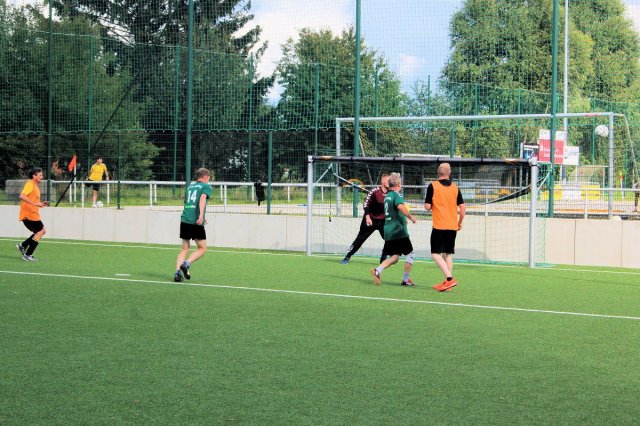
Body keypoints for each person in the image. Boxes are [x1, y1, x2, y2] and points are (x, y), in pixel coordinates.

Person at [370, 172, 417, 286]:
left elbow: (393, 211)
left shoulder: (387, 197)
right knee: (410, 253)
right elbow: (400, 206)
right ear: (398, 184)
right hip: (398, 231)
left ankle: (377, 271)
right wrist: (410, 216)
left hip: (389, 231)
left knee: (395, 257)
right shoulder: (396, 195)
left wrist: (402, 218)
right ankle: (405, 280)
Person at [424, 163, 465, 292]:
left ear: (438, 173)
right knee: (448, 254)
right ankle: (448, 284)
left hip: (439, 226)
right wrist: (459, 222)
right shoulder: (455, 188)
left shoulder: (433, 186)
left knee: (435, 253)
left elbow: (427, 206)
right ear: (449, 173)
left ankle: (449, 279)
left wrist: (430, 205)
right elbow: (463, 209)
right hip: (452, 226)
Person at [341, 173, 390, 264]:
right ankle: (347, 256)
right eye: (388, 180)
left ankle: (383, 259)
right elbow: (366, 204)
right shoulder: (374, 191)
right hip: (370, 219)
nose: (390, 182)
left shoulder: (392, 193)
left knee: (390, 240)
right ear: (383, 181)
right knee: (360, 239)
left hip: (383, 221)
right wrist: (367, 217)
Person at [174, 168, 213, 282]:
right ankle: (186, 264)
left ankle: (177, 273)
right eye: (208, 178)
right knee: (202, 248)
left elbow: (188, 203)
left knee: (185, 248)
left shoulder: (190, 187)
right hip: (195, 222)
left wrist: (202, 216)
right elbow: (202, 199)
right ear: (205, 177)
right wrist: (201, 215)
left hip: (184, 219)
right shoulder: (206, 186)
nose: (208, 181)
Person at [16, 168, 48, 261]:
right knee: (40, 232)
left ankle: (23, 245)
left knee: (41, 231)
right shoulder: (30, 184)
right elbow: (22, 196)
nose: (42, 177)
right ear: (34, 176)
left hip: (33, 214)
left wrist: (40, 204)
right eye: (40, 175)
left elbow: (34, 201)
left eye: (42, 175)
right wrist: (35, 203)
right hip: (29, 215)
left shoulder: (35, 186)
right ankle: (28, 254)